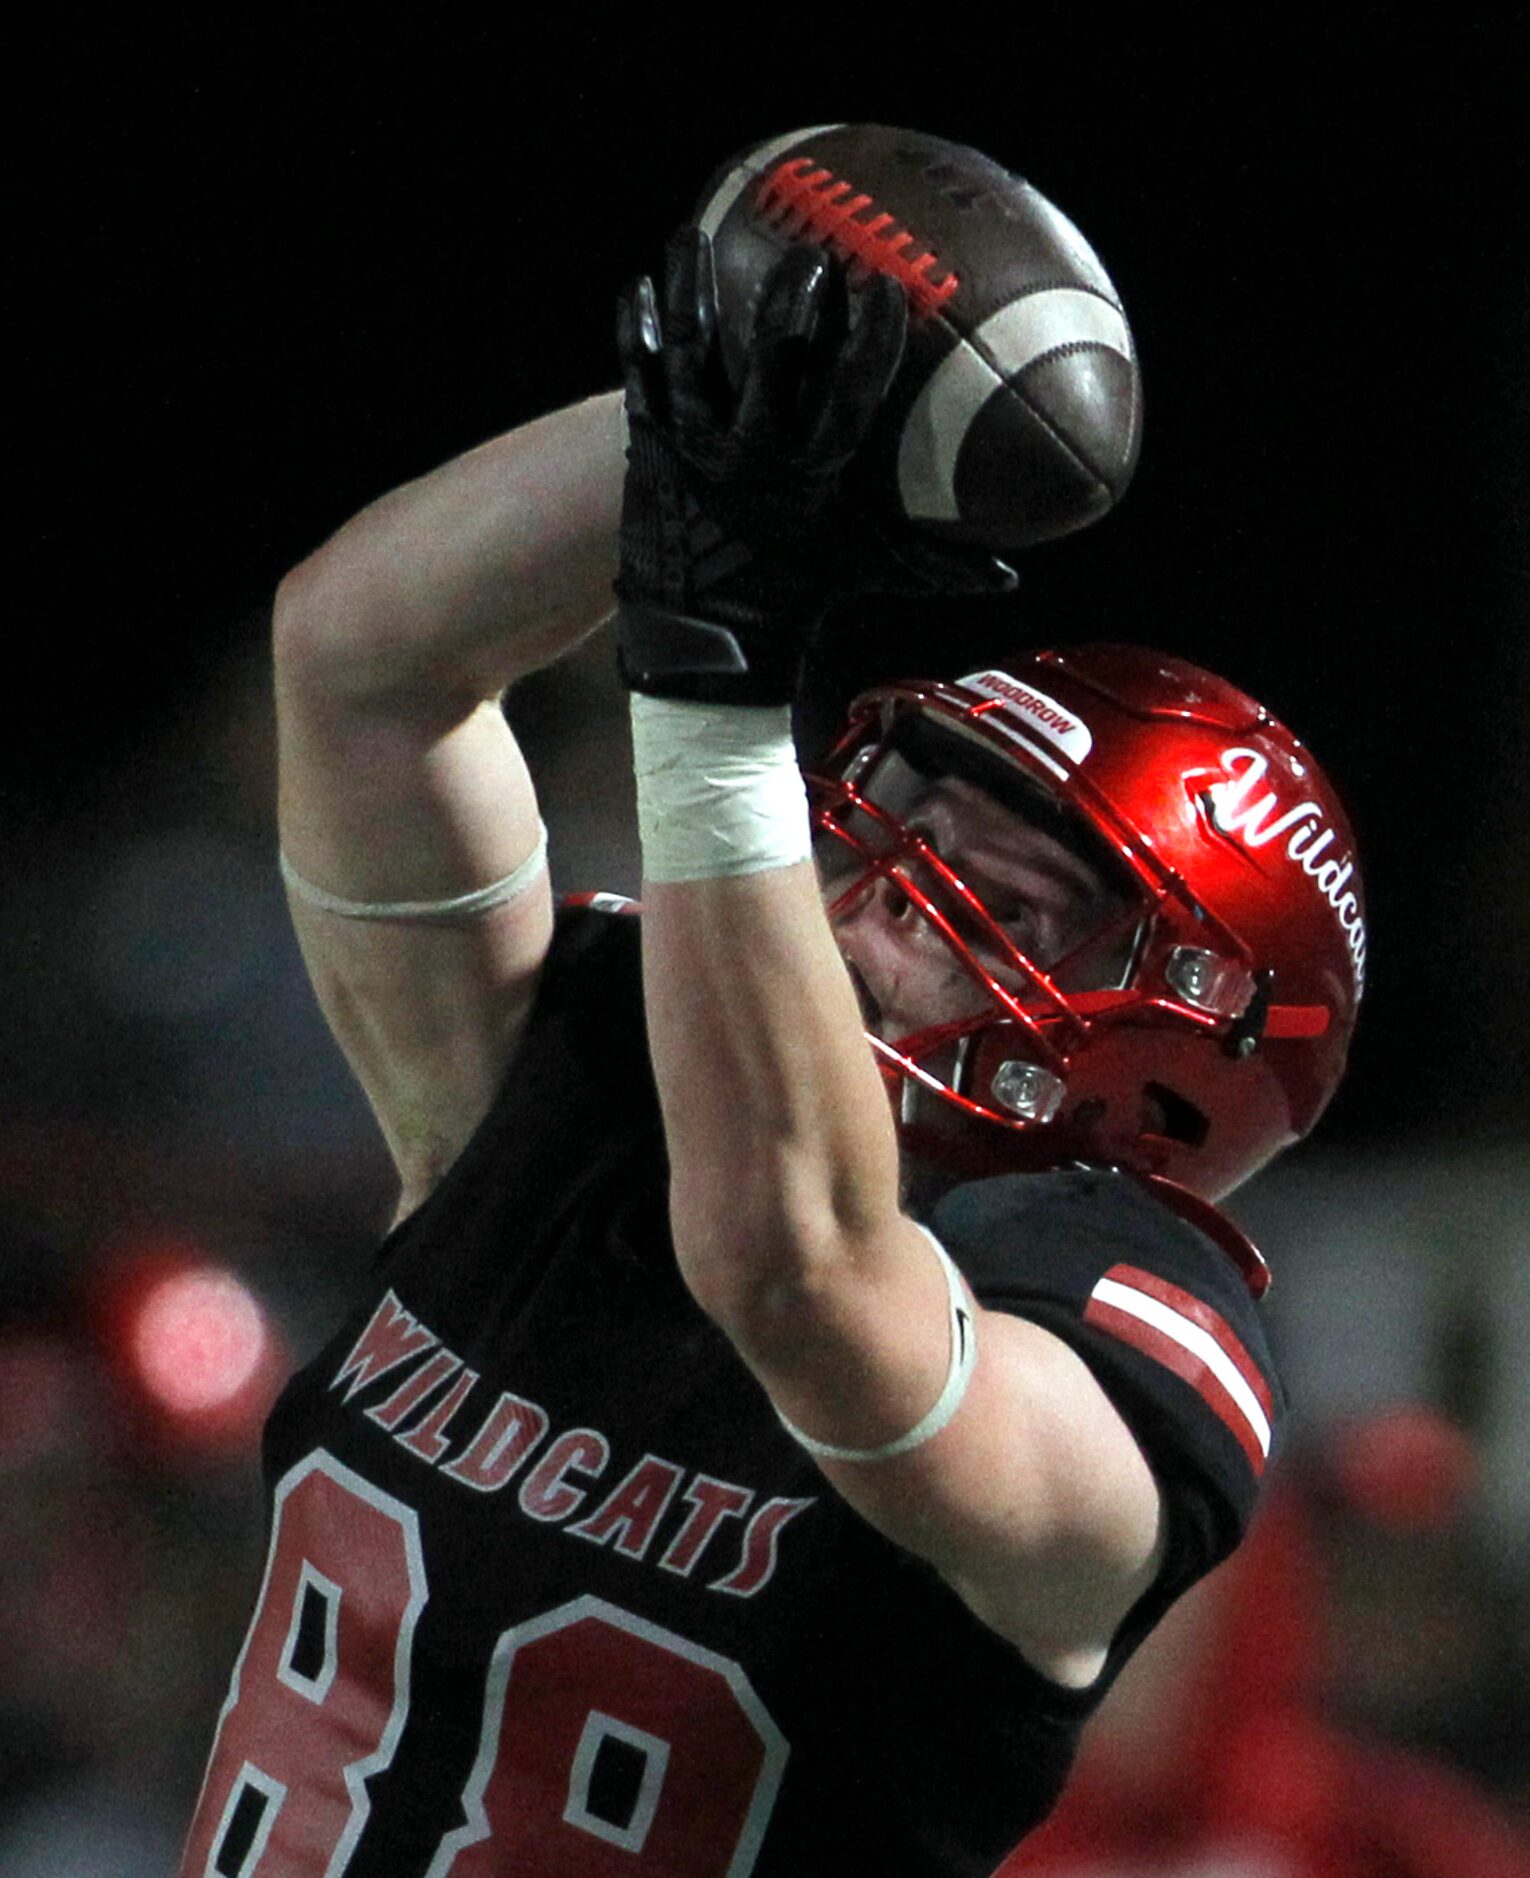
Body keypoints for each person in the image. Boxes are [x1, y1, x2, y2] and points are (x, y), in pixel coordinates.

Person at [179, 229, 1364, 1875]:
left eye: (993, 903)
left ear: (1169, 1068)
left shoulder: (1126, 1338)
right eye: (893, 841)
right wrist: (699, 434)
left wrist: (713, 677)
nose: (876, 914)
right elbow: (360, 664)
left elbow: (798, 1269)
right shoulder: (594, 1087)